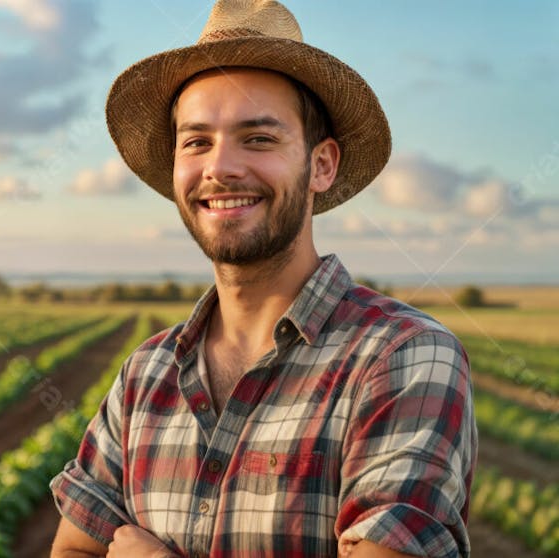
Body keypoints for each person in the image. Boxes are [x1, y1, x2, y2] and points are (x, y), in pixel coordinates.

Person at [49, 1, 477, 557]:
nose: (220, 166)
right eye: (197, 141)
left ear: (321, 165)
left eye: (258, 138)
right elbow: (74, 548)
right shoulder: (143, 377)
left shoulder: (404, 357)